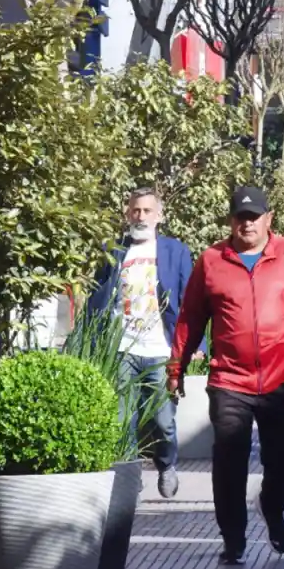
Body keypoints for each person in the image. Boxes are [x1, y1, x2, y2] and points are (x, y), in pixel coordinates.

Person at [167, 187, 284, 564]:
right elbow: (191, 316)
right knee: (228, 461)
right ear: (231, 221)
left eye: (254, 217)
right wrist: (177, 366)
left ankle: (272, 506)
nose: (247, 224)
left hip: (283, 377)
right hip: (230, 381)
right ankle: (234, 538)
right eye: (240, 217)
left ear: (268, 219)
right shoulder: (212, 260)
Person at [87, 188, 198, 500]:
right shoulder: (114, 250)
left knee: (163, 420)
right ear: (128, 214)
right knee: (124, 418)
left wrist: (193, 344)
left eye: (147, 211)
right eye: (136, 211)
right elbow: (97, 296)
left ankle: (166, 465)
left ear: (159, 216)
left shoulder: (175, 251)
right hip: (122, 349)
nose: (141, 216)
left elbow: (190, 300)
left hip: (161, 351)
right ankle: (130, 473)